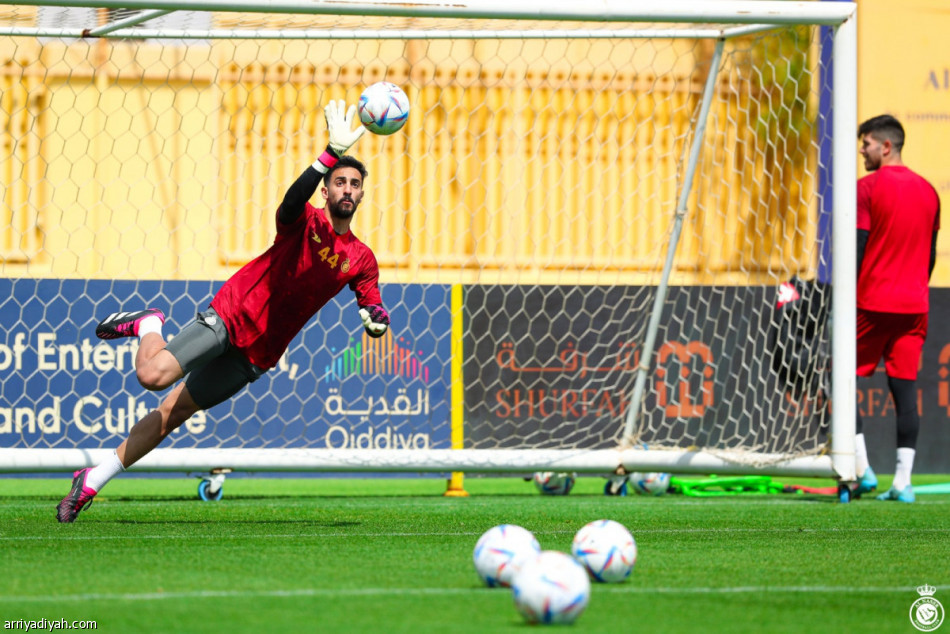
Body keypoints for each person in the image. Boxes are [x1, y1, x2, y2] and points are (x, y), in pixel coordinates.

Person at [56, 100, 391, 522]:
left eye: (353, 184)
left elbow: (372, 302)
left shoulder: (361, 258)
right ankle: (148, 325)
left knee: (174, 413)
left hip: (259, 354)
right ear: (326, 190)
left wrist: (376, 320)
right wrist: (326, 153)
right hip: (232, 316)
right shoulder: (303, 220)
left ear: (362, 193)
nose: (346, 189)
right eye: (338, 181)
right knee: (151, 376)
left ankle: (91, 480)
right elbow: (288, 203)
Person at [852, 114, 940, 503]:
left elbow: (858, 247)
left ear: (886, 147)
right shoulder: (930, 191)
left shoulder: (867, 188)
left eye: (867, 143)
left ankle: (861, 469)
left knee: (839, 381)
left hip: (871, 303)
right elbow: (931, 256)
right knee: (904, 391)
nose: (862, 150)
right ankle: (903, 484)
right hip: (914, 305)